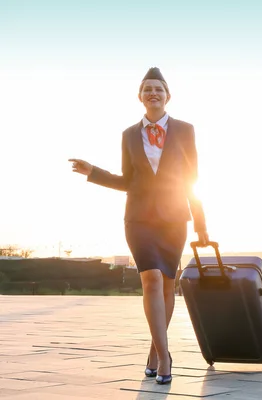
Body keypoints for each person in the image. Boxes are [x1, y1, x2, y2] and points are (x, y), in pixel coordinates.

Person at [69, 67, 209, 385]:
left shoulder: (186, 130)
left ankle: (153, 349)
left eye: (159, 88)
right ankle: (164, 357)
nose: (153, 93)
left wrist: (200, 224)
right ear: (140, 97)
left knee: (168, 283)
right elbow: (127, 181)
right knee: (151, 282)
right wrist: (94, 172)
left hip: (174, 219)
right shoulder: (129, 135)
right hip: (139, 219)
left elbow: (193, 179)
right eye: (147, 88)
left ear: (167, 95)